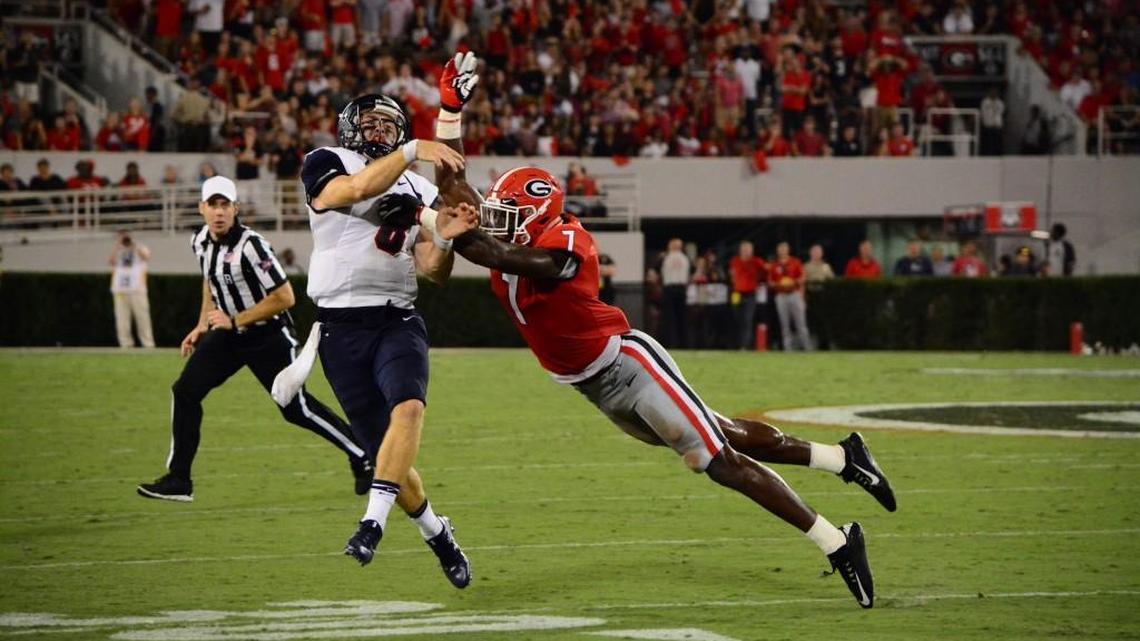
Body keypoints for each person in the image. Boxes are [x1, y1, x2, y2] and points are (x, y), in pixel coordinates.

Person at [402, 168, 893, 609]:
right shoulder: (515, 233)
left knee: (716, 461)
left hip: (629, 366)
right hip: (594, 387)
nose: (497, 220)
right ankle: (843, 458)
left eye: (509, 213)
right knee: (722, 434)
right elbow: (460, 198)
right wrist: (451, 113)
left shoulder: (569, 240)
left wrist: (424, 216)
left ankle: (837, 540)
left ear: (538, 216)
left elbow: (497, 251)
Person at [276, 55, 480, 588]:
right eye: (370, 124)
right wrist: (413, 150)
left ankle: (372, 524)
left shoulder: (419, 188)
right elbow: (348, 192)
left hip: (395, 319)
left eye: (391, 126)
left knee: (408, 411)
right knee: (385, 454)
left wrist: (445, 236)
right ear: (349, 129)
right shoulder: (326, 159)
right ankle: (439, 534)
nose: (380, 131)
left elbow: (433, 271)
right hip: (339, 331)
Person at [136, 176, 373, 503]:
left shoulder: (251, 245)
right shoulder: (200, 241)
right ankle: (179, 479)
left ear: (235, 209)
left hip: (269, 336)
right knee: (185, 391)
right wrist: (202, 324)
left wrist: (233, 320)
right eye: (213, 205)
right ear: (201, 208)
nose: (219, 212)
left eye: (225, 205)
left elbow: (285, 296)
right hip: (229, 336)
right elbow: (210, 280)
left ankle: (361, 453)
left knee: (296, 409)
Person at [109, 231, 156, 349]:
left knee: (143, 318)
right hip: (120, 289)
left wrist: (134, 245)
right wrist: (117, 246)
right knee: (122, 319)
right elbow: (111, 261)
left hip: (137, 289)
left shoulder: (140, 247)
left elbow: (147, 257)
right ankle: (125, 344)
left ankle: (148, 344)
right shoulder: (118, 250)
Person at [768, 242, 812, 351]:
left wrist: (792, 283)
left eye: (784, 249)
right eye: (780, 249)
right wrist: (780, 285)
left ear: (788, 250)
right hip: (781, 296)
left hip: (794, 295)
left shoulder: (795, 262)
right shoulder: (774, 265)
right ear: (778, 251)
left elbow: (802, 278)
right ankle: (788, 349)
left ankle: (807, 347)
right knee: (784, 324)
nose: (782, 251)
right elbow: (770, 282)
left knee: (801, 323)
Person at [728, 240, 766, 350]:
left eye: (748, 249)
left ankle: (744, 345)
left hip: (750, 294)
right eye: (744, 249)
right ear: (740, 250)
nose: (746, 252)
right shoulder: (734, 261)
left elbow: (765, 272)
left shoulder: (756, 261)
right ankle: (736, 344)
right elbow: (732, 275)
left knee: (747, 319)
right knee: (736, 319)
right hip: (736, 294)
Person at [660, 238, 690, 348]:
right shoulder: (683, 258)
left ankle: (675, 343)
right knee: (676, 318)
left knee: (674, 318)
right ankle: (678, 343)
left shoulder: (668, 257)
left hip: (674, 288)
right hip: (676, 288)